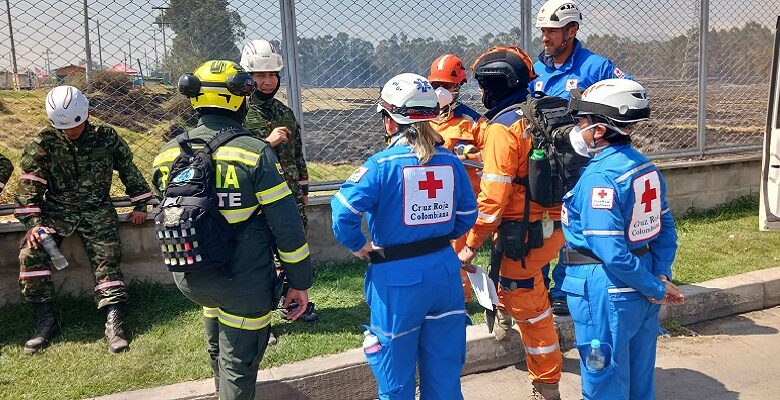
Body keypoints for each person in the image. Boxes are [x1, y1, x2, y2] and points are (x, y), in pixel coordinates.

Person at [151, 60, 313, 400]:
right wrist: (299, 282)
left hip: (192, 277)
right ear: (239, 97)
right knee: (240, 366)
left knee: (218, 349)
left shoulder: (167, 154)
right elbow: (287, 228)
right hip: (243, 283)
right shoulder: (254, 153)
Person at [331, 73, 477, 400]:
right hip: (444, 272)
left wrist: (360, 246)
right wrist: (439, 238)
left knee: (395, 379)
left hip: (397, 280)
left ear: (390, 121)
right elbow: (468, 212)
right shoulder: (450, 161)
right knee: (444, 378)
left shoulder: (380, 165)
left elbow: (342, 214)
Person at [560, 79, 684, 400]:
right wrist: (659, 274)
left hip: (606, 289)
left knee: (605, 385)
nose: (578, 128)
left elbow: (611, 252)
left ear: (600, 130)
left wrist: (656, 286)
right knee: (639, 384)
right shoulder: (646, 167)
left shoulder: (601, 177)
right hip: (641, 284)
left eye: (582, 121)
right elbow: (665, 228)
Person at [458, 46, 563, 400]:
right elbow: (519, 163)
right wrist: (472, 156)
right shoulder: (534, 112)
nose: (482, 93)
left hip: (523, 232)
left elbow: (493, 200)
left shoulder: (503, 127)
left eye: (484, 85)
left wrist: (471, 245)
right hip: (550, 225)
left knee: (531, 312)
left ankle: (546, 386)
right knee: (523, 288)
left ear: (498, 84)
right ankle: (504, 311)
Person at [15, 85, 152, 354]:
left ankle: (115, 322)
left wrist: (141, 202)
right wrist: (33, 222)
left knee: (107, 258)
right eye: (64, 128)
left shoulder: (106, 137)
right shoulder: (43, 143)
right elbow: (29, 186)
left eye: (74, 126)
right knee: (30, 254)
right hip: (57, 212)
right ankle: (46, 320)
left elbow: (128, 169)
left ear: (86, 114)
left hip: (97, 209)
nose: (71, 132)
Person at [531, 0, 633, 315]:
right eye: (543, 31)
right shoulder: (535, 70)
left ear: (572, 31)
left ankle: (564, 288)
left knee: (572, 225)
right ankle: (536, 286)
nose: (545, 37)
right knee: (536, 224)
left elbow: (626, 98)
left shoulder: (596, 68)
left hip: (579, 165)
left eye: (552, 31)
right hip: (540, 163)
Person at [240, 39, 318, 340]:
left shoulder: (285, 113)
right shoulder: (241, 115)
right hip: (256, 201)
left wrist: (303, 188)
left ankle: (294, 303)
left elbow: (297, 155)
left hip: (289, 198)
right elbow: (234, 157)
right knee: (259, 256)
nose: (267, 81)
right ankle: (262, 319)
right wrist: (266, 144)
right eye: (260, 75)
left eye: (272, 74)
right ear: (248, 77)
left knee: (291, 252)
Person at [427, 53, 482, 304]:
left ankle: (459, 298)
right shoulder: (424, 119)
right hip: (432, 195)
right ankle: (435, 294)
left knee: (457, 249)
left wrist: (470, 154)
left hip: (463, 196)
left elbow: (488, 154)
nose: (441, 91)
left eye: (447, 86)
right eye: (435, 85)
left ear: (458, 87)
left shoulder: (471, 121)